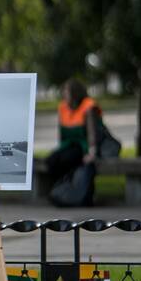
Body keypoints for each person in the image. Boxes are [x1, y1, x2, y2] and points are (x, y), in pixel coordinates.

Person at [45, 78, 99, 206]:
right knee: (51, 161)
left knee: (68, 159)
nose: (64, 94)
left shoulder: (88, 107)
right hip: (68, 145)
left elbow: (92, 133)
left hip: (83, 146)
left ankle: (71, 192)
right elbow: (62, 133)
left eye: (67, 91)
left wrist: (91, 152)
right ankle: (61, 190)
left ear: (75, 93)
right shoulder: (63, 107)